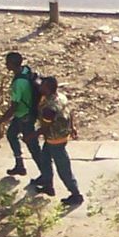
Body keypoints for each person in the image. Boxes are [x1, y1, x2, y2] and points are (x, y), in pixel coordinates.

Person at [32, 74, 84, 208]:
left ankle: (76, 195)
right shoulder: (60, 97)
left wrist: (32, 136)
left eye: (42, 85)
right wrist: (72, 127)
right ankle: (48, 185)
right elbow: (69, 112)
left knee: (63, 168)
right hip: (55, 137)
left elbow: (45, 126)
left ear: (48, 88)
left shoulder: (49, 107)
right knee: (45, 159)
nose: (39, 86)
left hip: (55, 140)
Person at [2, 51, 41, 178]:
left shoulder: (18, 83)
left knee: (33, 146)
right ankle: (20, 165)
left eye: (7, 62)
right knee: (11, 135)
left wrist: (0, 121)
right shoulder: (26, 71)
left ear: (12, 64)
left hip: (24, 117)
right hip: (27, 113)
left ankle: (46, 175)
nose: (6, 64)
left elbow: (14, 107)